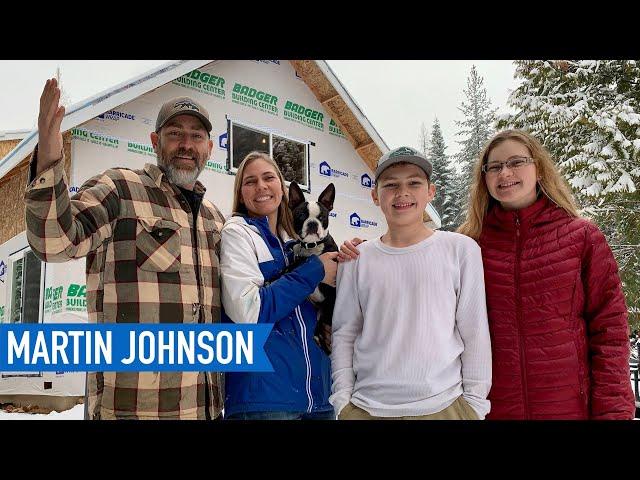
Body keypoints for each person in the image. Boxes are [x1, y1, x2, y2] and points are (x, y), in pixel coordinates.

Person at [24, 78, 226, 419]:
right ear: (155, 141)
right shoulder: (121, 188)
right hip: (132, 409)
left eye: (197, 136)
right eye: (175, 133)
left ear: (209, 148)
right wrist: (48, 155)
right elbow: (55, 241)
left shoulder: (216, 221)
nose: (186, 144)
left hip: (204, 409)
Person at [456, 129, 635, 419]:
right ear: (484, 177)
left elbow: (609, 334)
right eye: (495, 166)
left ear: (538, 168)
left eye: (516, 162)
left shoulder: (582, 238)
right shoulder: (467, 245)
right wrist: (360, 254)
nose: (505, 173)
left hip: (568, 409)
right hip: (492, 410)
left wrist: (612, 413)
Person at [330, 146, 492, 420]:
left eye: (414, 183)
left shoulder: (461, 249)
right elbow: (345, 334)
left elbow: (474, 330)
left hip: (446, 407)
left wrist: (473, 406)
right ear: (375, 196)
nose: (402, 192)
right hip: (367, 409)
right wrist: (343, 404)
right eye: (391, 185)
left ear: (431, 192)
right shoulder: (357, 258)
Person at [219, 151, 337, 420]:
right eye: (250, 181)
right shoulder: (238, 233)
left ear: (282, 190)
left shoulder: (295, 244)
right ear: (241, 193)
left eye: (268, 177)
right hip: (265, 400)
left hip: (317, 395)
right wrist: (316, 270)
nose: (261, 186)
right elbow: (250, 312)